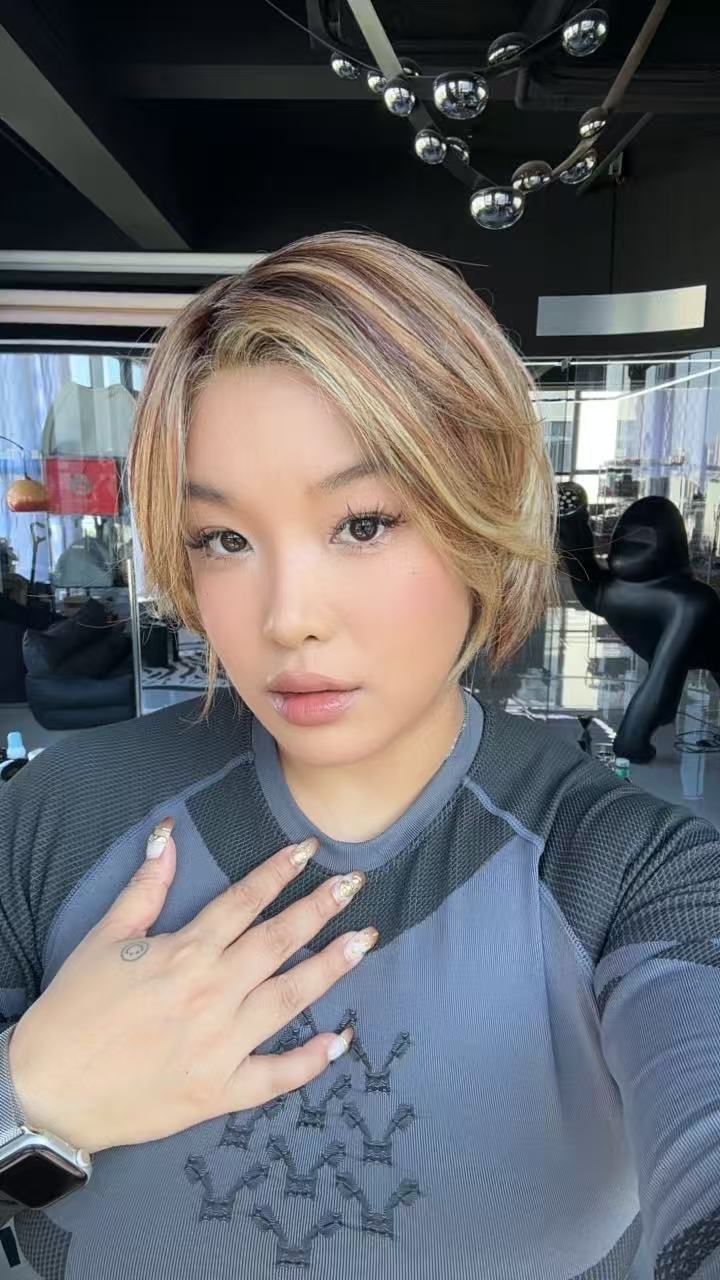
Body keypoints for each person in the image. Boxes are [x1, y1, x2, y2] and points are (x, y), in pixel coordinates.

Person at [0, 232, 718, 1280]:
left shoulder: (628, 872)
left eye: (365, 522)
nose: (287, 617)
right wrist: (30, 1105)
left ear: (482, 518)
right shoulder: (58, 817)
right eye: (224, 539)